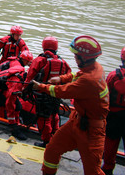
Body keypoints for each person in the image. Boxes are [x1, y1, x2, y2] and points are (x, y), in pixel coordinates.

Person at [32, 36, 109, 175]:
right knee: (52, 150)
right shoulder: (95, 68)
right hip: (77, 121)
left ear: (84, 58)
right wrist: (61, 78)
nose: (74, 58)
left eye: (76, 55)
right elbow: (76, 74)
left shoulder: (89, 80)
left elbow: (62, 91)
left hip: (92, 130)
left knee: (93, 170)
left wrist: (41, 87)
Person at [24, 36, 71, 147]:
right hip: (56, 93)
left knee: (43, 118)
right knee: (54, 114)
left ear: (44, 46)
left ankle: (46, 141)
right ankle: (55, 137)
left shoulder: (40, 60)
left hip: (42, 94)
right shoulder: (62, 62)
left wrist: (24, 90)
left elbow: (29, 77)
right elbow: (69, 76)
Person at [101, 45, 125, 175]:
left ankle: (108, 169)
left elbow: (104, 96)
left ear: (122, 58)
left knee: (110, 145)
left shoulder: (114, 75)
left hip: (114, 117)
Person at [0, 50, 33, 140]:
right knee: (14, 106)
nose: (29, 63)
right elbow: (10, 101)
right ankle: (10, 125)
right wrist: (13, 125)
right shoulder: (18, 74)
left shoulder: (16, 64)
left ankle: (5, 120)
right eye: (28, 62)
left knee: (11, 105)